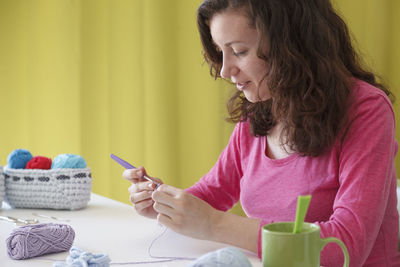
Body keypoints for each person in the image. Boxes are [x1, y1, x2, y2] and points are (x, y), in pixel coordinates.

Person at [123, 0, 400, 266]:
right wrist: (163, 203)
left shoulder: (366, 110)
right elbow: (211, 193)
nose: (224, 70)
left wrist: (215, 224)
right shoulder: (259, 110)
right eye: (221, 52)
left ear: (290, 42)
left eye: (240, 51)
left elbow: (344, 248)